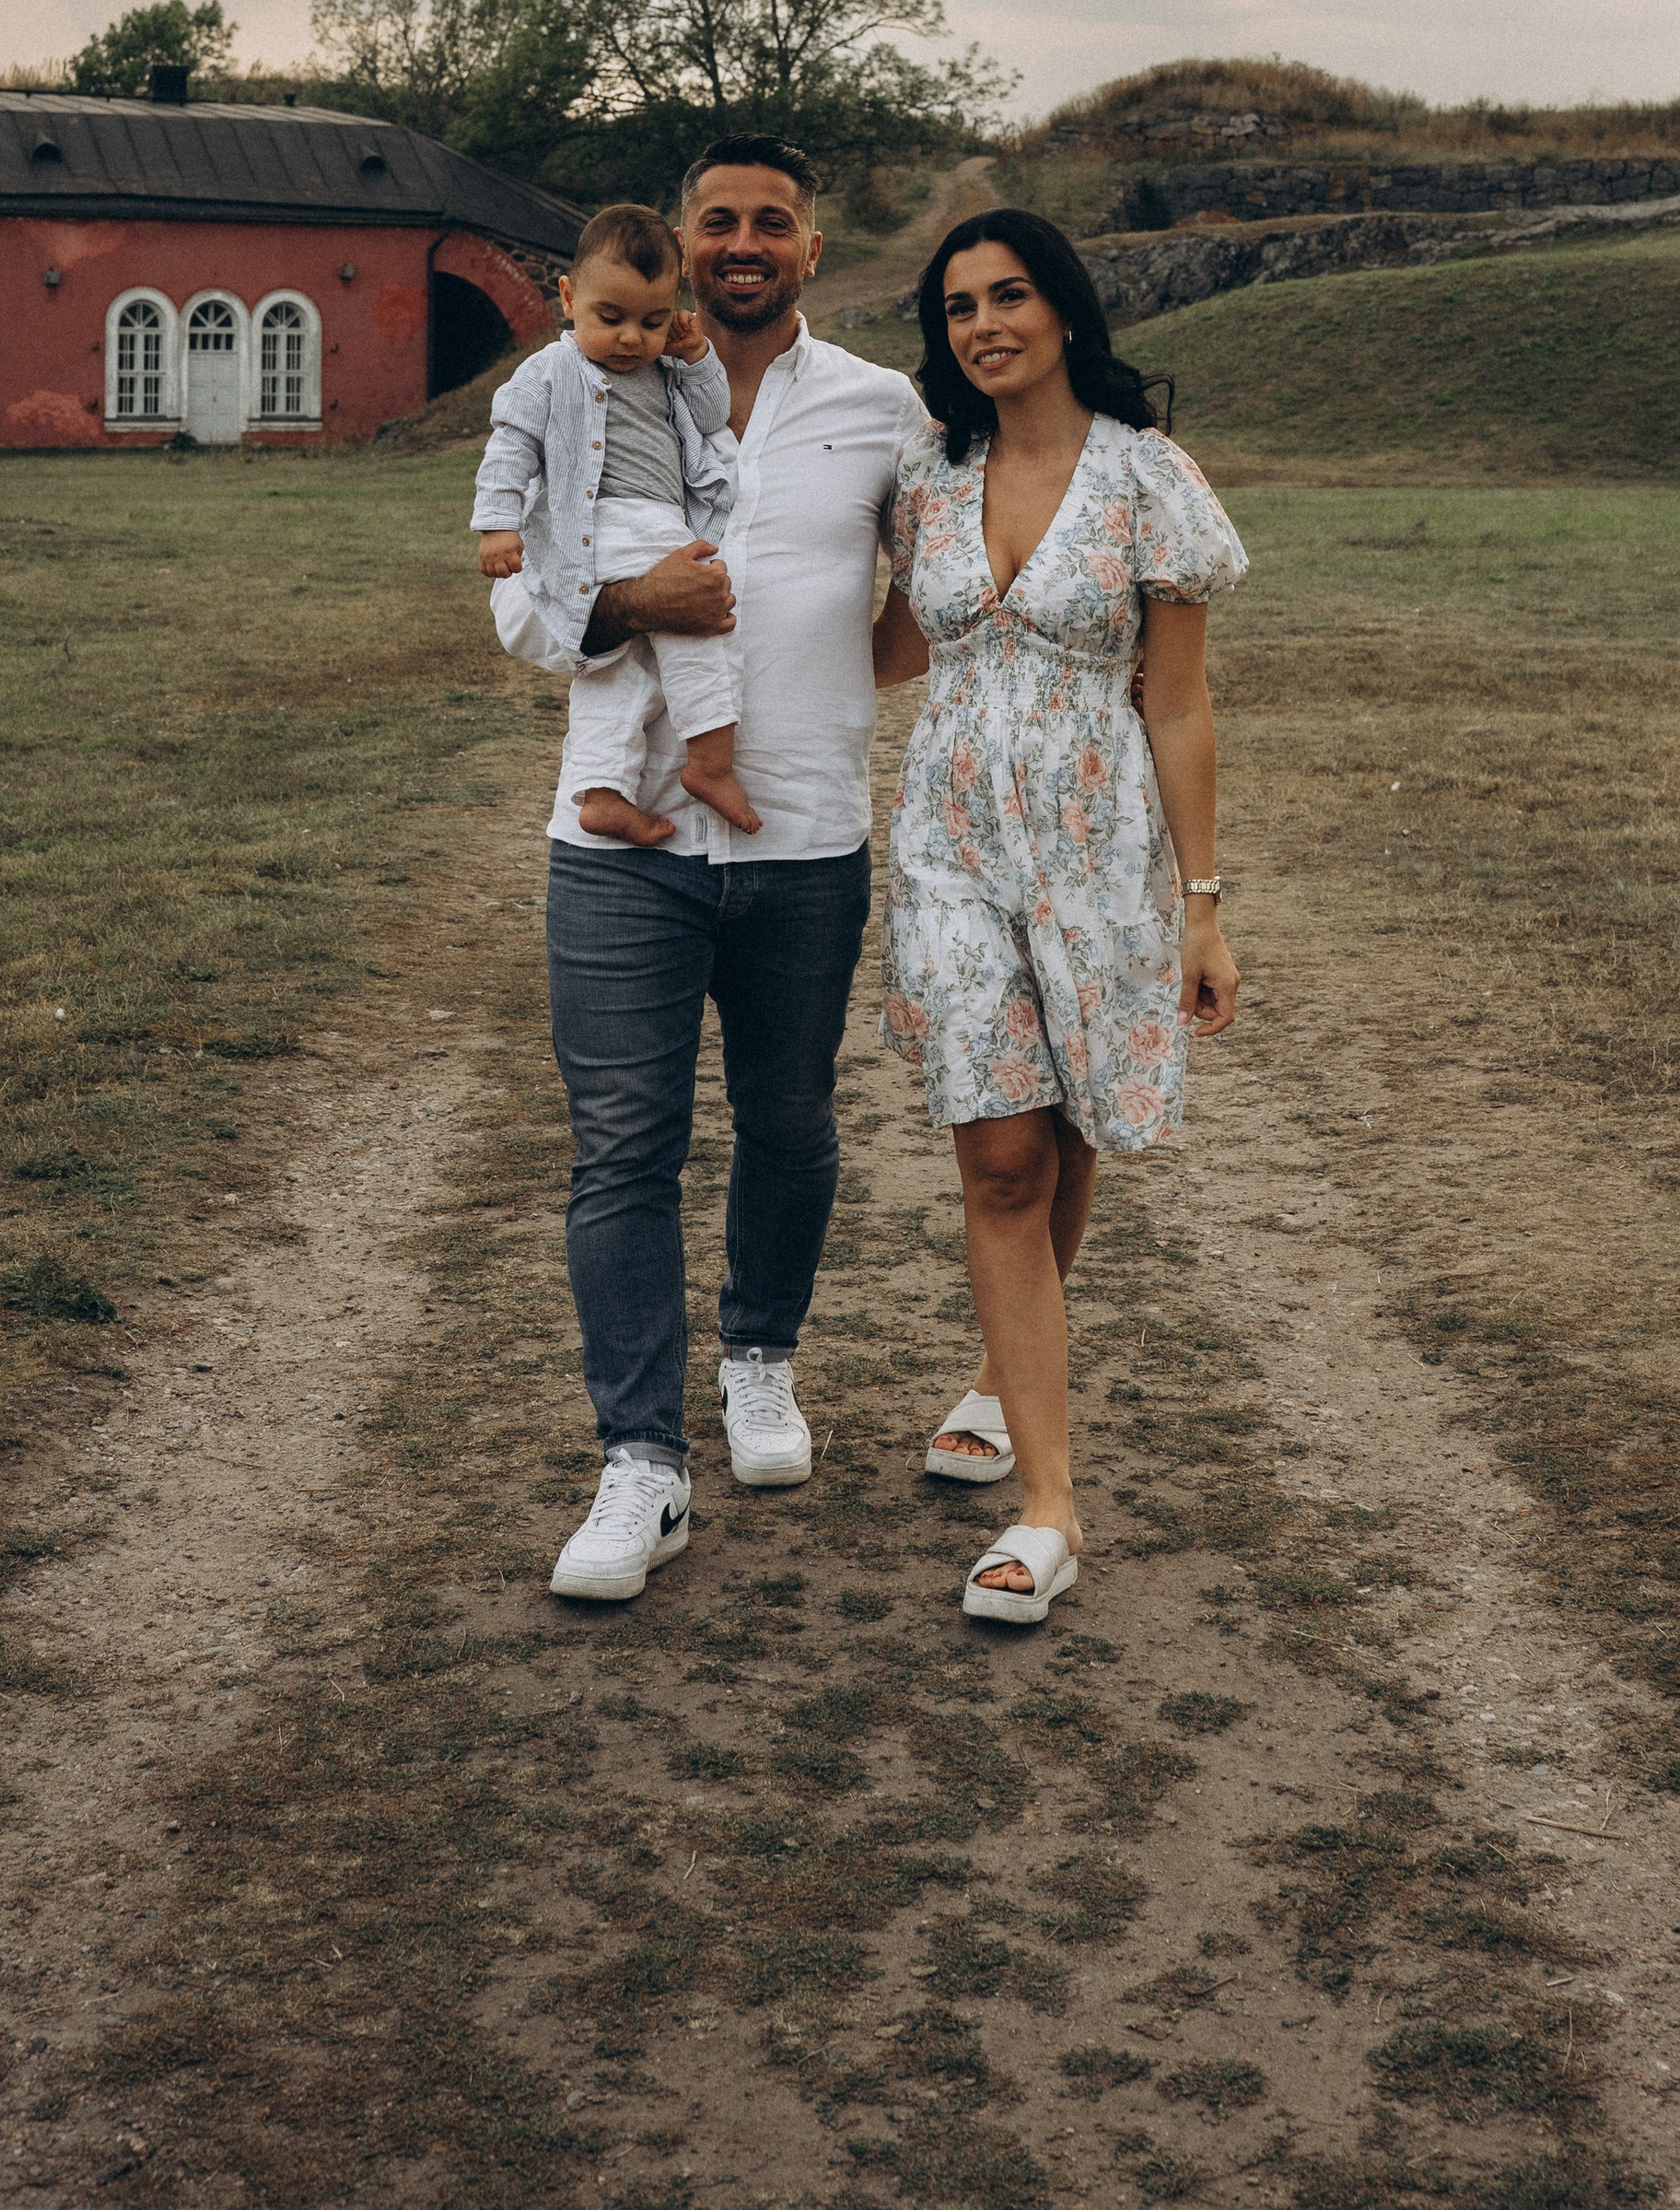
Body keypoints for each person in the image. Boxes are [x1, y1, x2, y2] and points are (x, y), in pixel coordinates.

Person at [482, 137, 927, 1604]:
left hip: (805, 840)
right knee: (624, 1148)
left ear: (811, 242)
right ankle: (641, 1465)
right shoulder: (574, 388)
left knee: (792, 1122)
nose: (744, 242)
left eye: (773, 223)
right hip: (622, 847)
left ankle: (759, 1365)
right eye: (718, 221)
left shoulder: (881, 408)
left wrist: (820, 700)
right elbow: (522, 622)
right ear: (675, 242)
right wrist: (628, 599)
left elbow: (929, 600)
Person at [879, 206, 1245, 1626]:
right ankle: (1049, 1508)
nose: (984, 325)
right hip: (952, 851)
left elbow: (1182, 696)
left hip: (1098, 859)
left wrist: (1203, 908)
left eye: (1010, 296)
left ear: (1065, 309)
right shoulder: (926, 480)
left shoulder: (1150, 481)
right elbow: (900, 643)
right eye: (961, 306)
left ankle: (993, 1377)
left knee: (1074, 1118)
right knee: (1005, 1153)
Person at [471, 203, 757, 845]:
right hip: (615, 525)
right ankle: (710, 764)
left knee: (613, 668)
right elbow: (510, 445)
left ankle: (600, 791)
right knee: (701, 626)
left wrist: (696, 353)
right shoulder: (549, 370)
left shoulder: (665, 370)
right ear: (569, 298)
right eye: (612, 318)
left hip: (633, 533)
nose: (632, 338)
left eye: (653, 321)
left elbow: (714, 416)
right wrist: (497, 525)